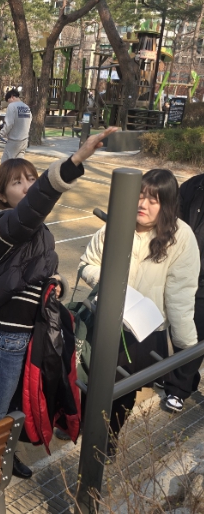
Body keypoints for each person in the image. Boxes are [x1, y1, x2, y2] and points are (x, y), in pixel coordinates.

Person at [0, 127, 117, 478]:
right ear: (1, 196)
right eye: (17, 182)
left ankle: (3, 457)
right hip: (7, 339)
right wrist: (76, 160)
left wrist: (56, 282)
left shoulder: (34, 231)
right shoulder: (7, 226)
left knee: (16, 406)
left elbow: (35, 269)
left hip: (29, 336)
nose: (27, 187)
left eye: (31, 179)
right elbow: (37, 203)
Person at [78, 168, 200, 453]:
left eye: (153, 200)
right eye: (139, 196)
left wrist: (186, 344)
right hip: (105, 320)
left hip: (144, 331)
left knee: (122, 392)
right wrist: (111, 282)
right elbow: (86, 264)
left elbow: (180, 295)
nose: (142, 204)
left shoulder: (181, 237)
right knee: (89, 377)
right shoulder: (116, 225)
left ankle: (107, 442)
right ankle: (82, 423)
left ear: (167, 205)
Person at [162, 173, 204, 411]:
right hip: (185, 270)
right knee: (182, 327)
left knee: (197, 331)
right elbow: (173, 219)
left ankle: (178, 389)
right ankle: (184, 380)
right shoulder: (193, 186)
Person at [0, 89, 32, 163]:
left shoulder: (12, 106)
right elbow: (29, 121)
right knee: (19, 164)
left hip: (14, 141)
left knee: (5, 163)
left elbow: (9, 123)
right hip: (24, 141)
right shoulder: (26, 107)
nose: (9, 103)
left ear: (12, 97)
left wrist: (0, 134)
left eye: (8, 101)